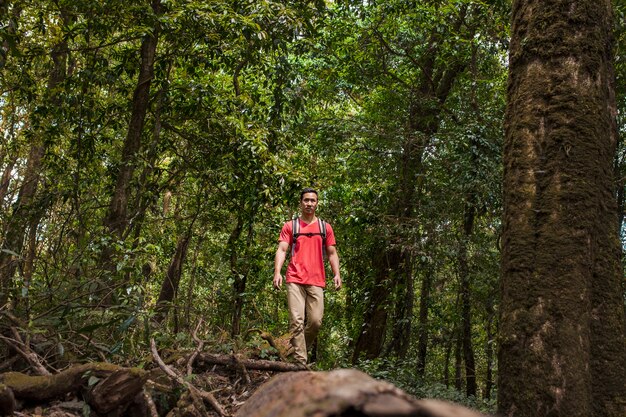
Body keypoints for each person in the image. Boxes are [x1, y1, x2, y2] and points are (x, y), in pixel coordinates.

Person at [273, 188, 341, 364]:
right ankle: (300, 362)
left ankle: (293, 349)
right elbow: (281, 249)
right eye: (306, 200)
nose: (309, 204)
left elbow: (332, 253)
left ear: (317, 203)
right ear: (300, 202)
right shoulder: (291, 226)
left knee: (316, 322)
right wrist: (277, 272)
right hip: (294, 278)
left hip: (317, 280)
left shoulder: (324, 228)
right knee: (296, 320)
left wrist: (336, 274)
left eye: (313, 200)